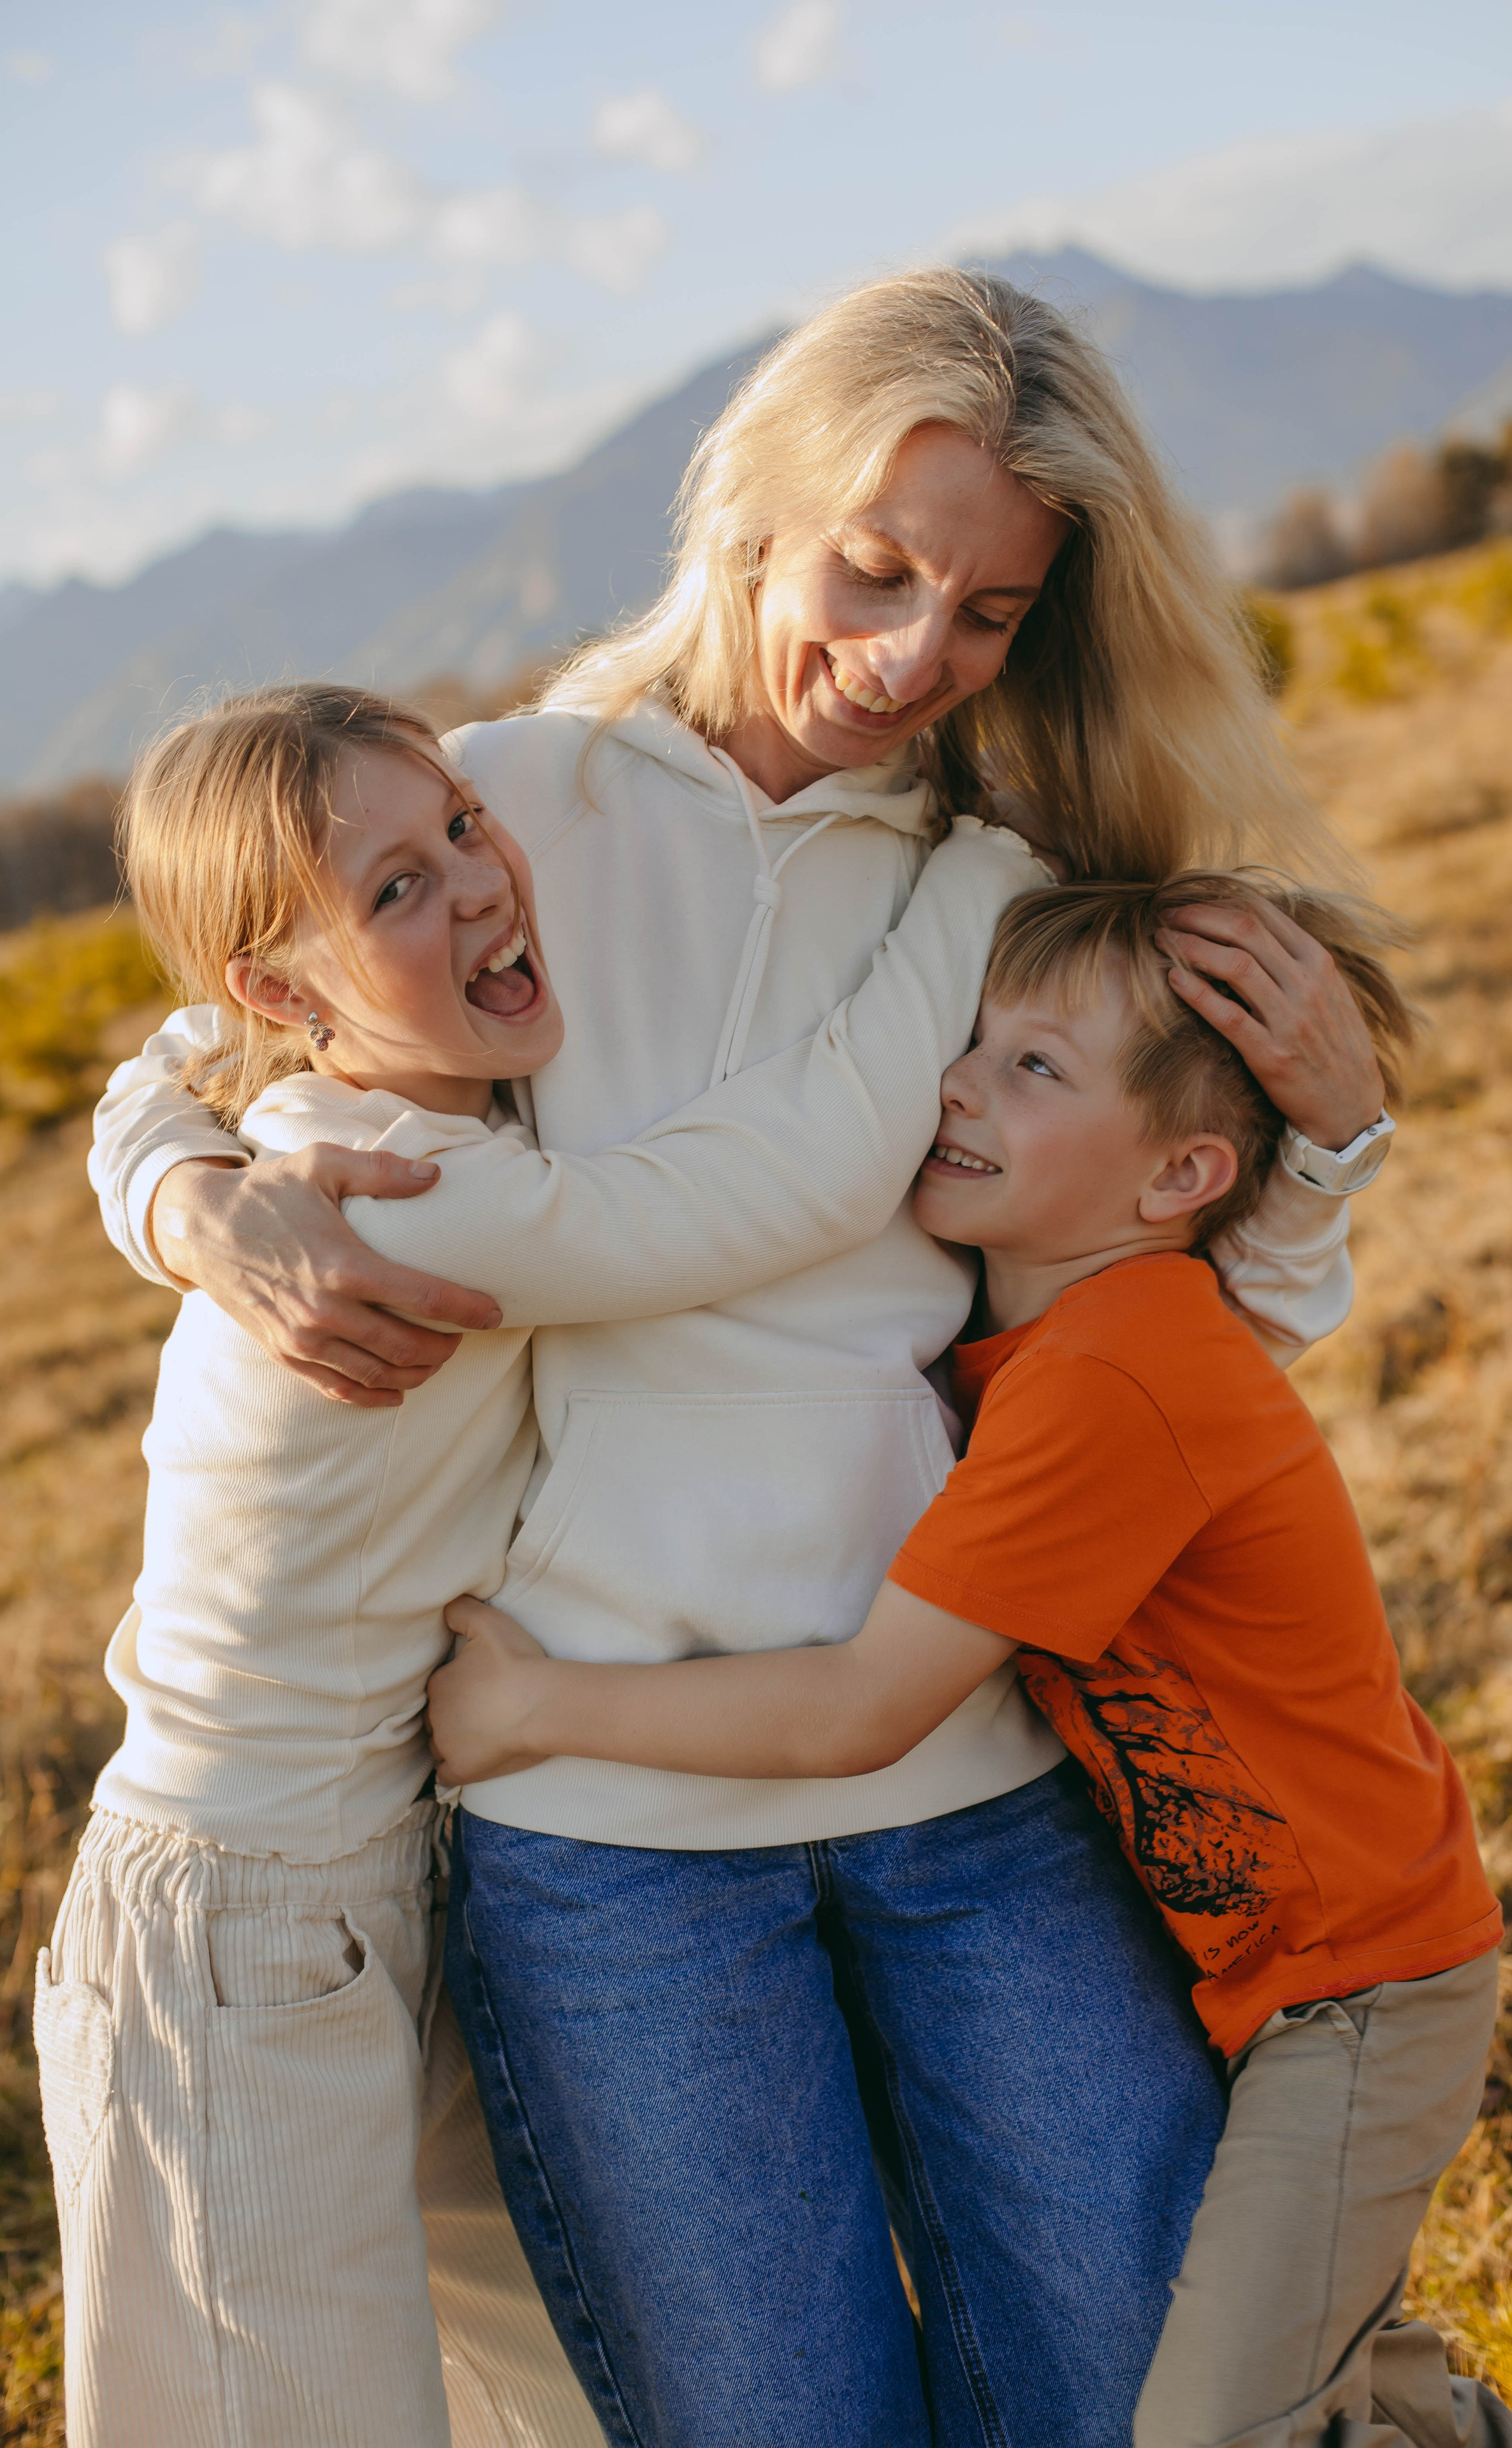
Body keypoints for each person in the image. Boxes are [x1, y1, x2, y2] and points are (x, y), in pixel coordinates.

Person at [87, 270, 1399, 2447]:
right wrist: (186, 1194)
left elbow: (1174, 1325)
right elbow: (217, 1024)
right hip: (606, 1839)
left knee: (1144, 2394)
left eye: (986, 615)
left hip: (970, 1783)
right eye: (877, 572)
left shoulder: (1017, 891)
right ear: (756, 507)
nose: (912, 659)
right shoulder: (500, 811)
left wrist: (1333, 1140)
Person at [45, 681, 1049, 2448]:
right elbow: (779, 1187)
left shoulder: (442, 1111)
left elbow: (171, 1055)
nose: (481, 885)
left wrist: (164, 1178)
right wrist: (981, 878)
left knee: (553, 2402)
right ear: (283, 994)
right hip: (236, 1910)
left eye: (460, 824)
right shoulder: (395, 1193)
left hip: (387, 1879)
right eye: (397, 893)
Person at [428, 873, 1512, 2448]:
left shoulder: (1109, 1373)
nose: (957, 1081)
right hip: (1289, 1975)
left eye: (1036, 1069)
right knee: (1306, 2369)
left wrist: (538, 1704)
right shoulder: (1042, 1348)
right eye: (977, 1042)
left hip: (1360, 1990)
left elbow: (862, 1706)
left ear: (1181, 1176)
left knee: (1211, 2429)